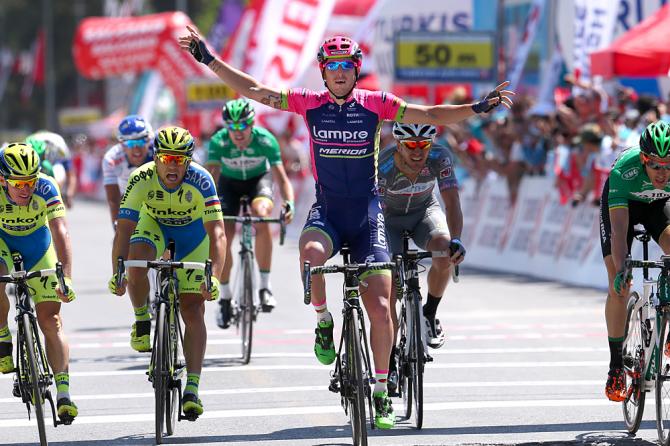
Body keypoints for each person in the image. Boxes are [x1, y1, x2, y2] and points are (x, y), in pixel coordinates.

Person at [179, 28, 513, 429]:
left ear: (356, 71)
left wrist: (476, 108)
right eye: (331, 66)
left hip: (368, 214)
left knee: (380, 306)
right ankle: (323, 322)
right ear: (323, 72)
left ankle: (382, 391)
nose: (338, 72)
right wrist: (209, 59)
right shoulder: (308, 103)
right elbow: (254, 90)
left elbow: (430, 116)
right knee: (311, 255)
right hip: (329, 211)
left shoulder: (376, 104)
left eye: (345, 66)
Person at [108, 126, 226, 418]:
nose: (172, 165)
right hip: (154, 227)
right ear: (156, 157)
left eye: (179, 159)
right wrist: (118, 270)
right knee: (137, 261)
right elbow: (124, 229)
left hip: (193, 236)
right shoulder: (140, 177)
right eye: (166, 158)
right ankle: (141, 321)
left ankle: (193, 388)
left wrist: (214, 277)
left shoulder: (202, 179)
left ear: (188, 160)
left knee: (193, 309)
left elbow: (218, 233)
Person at [0, 143, 77, 421]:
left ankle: (64, 393)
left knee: (51, 320)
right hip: (3, 242)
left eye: (30, 181)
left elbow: (60, 230)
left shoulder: (46, 186)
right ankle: (2, 335)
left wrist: (65, 276)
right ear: (2, 178)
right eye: (18, 182)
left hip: (38, 245)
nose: (25, 188)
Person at [205, 98, 294, 328]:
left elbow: (282, 179)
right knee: (221, 236)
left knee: (261, 214)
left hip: (257, 182)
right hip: (228, 185)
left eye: (242, 126)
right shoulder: (219, 142)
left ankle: (264, 286)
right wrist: (204, 206)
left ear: (251, 124)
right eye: (231, 127)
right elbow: (210, 177)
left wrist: (289, 204)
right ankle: (225, 297)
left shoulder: (265, 140)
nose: (237, 132)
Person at [378, 123, 464, 362]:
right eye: (411, 145)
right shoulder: (383, 164)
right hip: (389, 219)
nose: (417, 152)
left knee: (444, 250)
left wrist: (455, 240)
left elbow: (452, 202)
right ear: (398, 145)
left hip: (424, 211)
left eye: (423, 145)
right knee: (391, 285)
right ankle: (391, 354)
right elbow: (374, 212)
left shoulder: (440, 156)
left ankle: (429, 313)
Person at [601, 121, 670, 402]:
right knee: (618, 286)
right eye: (655, 166)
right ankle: (616, 364)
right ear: (643, 159)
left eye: (668, 165)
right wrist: (621, 269)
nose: (662, 173)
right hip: (624, 206)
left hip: (658, 207)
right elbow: (618, 232)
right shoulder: (624, 170)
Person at [102, 115, 154, 228]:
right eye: (130, 143)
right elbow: (113, 200)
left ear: (149, 140)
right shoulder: (111, 159)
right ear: (121, 144)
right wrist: (117, 227)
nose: (136, 148)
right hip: (130, 198)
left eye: (140, 141)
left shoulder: (158, 150)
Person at [24, 131, 77, 208]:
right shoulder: (25, 146)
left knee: (59, 170)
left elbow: (71, 175)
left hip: (54, 159)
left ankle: (55, 194)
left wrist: (69, 195)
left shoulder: (60, 149)